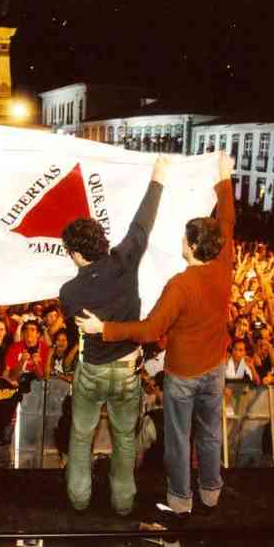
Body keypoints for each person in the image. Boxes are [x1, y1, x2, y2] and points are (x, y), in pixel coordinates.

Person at [77, 152, 235, 516]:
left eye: (184, 237)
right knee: (210, 433)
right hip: (215, 367)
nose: (181, 240)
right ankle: (211, 491)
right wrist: (224, 178)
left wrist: (105, 328)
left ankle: (181, 500)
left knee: (179, 438)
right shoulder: (224, 261)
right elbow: (227, 218)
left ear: (193, 247)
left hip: (182, 374)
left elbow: (150, 330)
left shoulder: (180, 285)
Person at [60, 155, 169, 516]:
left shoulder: (69, 293)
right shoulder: (124, 261)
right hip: (127, 371)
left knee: (81, 437)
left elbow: (73, 332)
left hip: (91, 371)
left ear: (76, 254)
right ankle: (123, 505)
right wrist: (158, 177)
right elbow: (143, 223)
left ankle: (79, 499)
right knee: (125, 438)